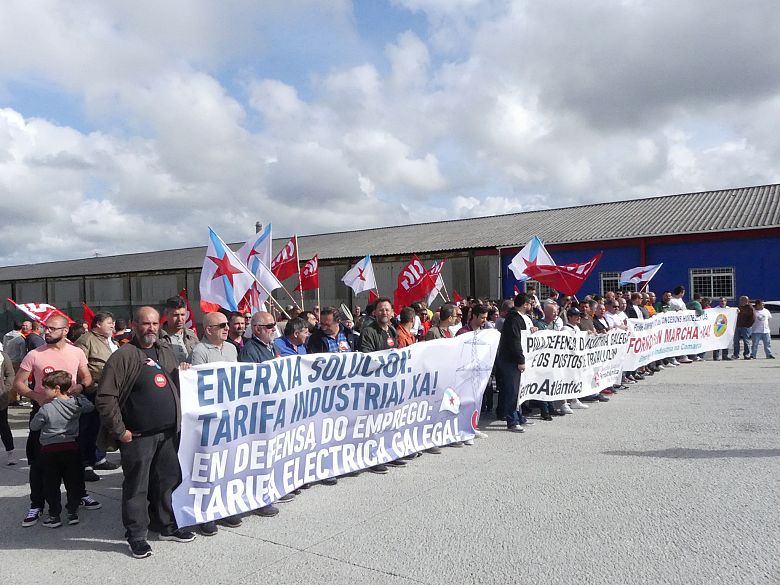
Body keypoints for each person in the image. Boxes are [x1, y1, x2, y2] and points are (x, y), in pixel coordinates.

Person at [95, 306, 196, 559]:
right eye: (145, 323)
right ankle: (136, 535)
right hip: (138, 436)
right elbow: (106, 397)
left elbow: (173, 380)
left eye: (154, 323)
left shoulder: (165, 350)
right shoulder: (124, 356)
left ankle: (165, 525)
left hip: (168, 434)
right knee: (137, 486)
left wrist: (184, 370)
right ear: (134, 325)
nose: (150, 328)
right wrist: (120, 431)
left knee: (167, 482)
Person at [13, 315, 97, 528]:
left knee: (75, 460)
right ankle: (36, 504)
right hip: (43, 412)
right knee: (38, 462)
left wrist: (80, 387)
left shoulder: (77, 352)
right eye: (45, 328)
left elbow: (87, 377)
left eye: (52, 328)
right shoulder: (35, 354)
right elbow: (19, 383)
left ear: (65, 330)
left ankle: (79, 495)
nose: (47, 331)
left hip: (70, 413)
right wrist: (37, 397)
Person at [189, 312, 243, 535]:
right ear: (208, 329)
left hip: (230, 416)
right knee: (209, 467)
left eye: (226, 324)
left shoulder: (231, 348)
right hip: (210, 418)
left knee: (228, 464)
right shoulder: (200, 351)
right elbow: (198, 385)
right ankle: (206, 513)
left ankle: (226, 507)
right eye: (221, 325)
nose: (227, 328)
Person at [29, 370, 94, 528]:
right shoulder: (76, 404)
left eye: (46, 388)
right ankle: (72, 512)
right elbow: (90, 407)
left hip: (50, 450)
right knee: (73, 482)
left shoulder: (46, 408)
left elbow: (34, 426)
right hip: (71, 447)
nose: (44, 391)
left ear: (57, 388)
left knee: (51, 484)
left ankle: (54, 515)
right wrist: (79, 396)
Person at [238, 311, 288, 513]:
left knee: (273, 453)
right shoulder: (250, 351)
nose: (274, 329)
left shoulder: (273, 347)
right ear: (257, 329)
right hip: (259, 412)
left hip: (274, 409)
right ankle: (258, 499)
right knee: (259, 457)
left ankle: (272, 489)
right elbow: (249, 383)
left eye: (274, 324)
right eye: (269, 326)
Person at [358, 298, 409, 467]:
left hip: (390, 383)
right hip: (375, 384)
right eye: (381, 309)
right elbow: (366, 356)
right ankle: (374, 457)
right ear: (374, 312)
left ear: (392, 312)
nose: (384, 313)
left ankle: (389, 452)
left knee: (389, 420)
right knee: (374, 423)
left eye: (387, 309)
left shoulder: (392, 330)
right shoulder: (369, 331)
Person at [75, 311, 120, 482]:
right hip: (92, 390)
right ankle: (85, 463)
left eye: (113, 322)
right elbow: (80, 365)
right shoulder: (86, 340)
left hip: (110, 391)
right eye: (109, 322)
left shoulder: (111, 341)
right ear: (98, 324)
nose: (112, 325)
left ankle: (99, 458)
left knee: (103, 426)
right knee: (89, 428)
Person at [495, 293, 537, 432]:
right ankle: (512, 421)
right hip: (511, 360)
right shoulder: (513, 319)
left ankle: (519, 416)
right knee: (512, 391)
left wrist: (533, 330)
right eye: (530, 303)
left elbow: (524, 336)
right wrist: (520, 359)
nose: (531, 305)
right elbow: (515, 341)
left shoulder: (523, 318)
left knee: (519, 390)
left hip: (516, 359)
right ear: (525, 304)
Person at [158, 295, 198, 364]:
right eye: (175, 315)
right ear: (166, 314)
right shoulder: (157, 337)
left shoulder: (192, 336)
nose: (180, 319)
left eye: (182, 315)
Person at [0, 349, 16, 464]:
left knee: (3, 426)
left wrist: (6, 388)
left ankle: (10, 452)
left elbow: (10, 374)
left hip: (0, 397)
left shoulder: (2, 356)